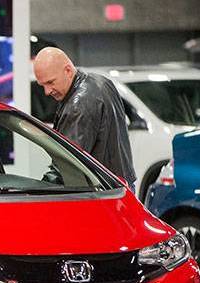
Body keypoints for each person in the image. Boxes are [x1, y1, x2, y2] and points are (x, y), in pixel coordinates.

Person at [33, 47, 137, 190]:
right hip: (122, 187)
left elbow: (66, 166)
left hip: (100, 195)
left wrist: (35, 192)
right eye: (42, 85)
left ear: (68, 71)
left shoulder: (78, 106)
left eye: (50, 82)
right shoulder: (102, 82)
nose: (47, 91)